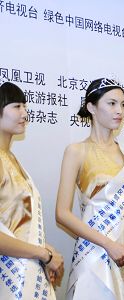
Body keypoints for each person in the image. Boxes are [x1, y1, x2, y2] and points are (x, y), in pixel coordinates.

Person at [56, 78, 124, 300]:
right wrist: (109, 244)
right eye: (111, 104)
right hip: (95, 252)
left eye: (123, 105)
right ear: (91, 107)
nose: (119, 111)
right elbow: (62, 213)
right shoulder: (77, 151)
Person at [0, 81, 64, 299]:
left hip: (25, 274)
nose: (24, 113)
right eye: (16, 106)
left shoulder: (11, 159)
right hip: (9, 278)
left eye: (25, 106)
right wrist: (43, 254)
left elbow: (17, 226)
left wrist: (46, 251)